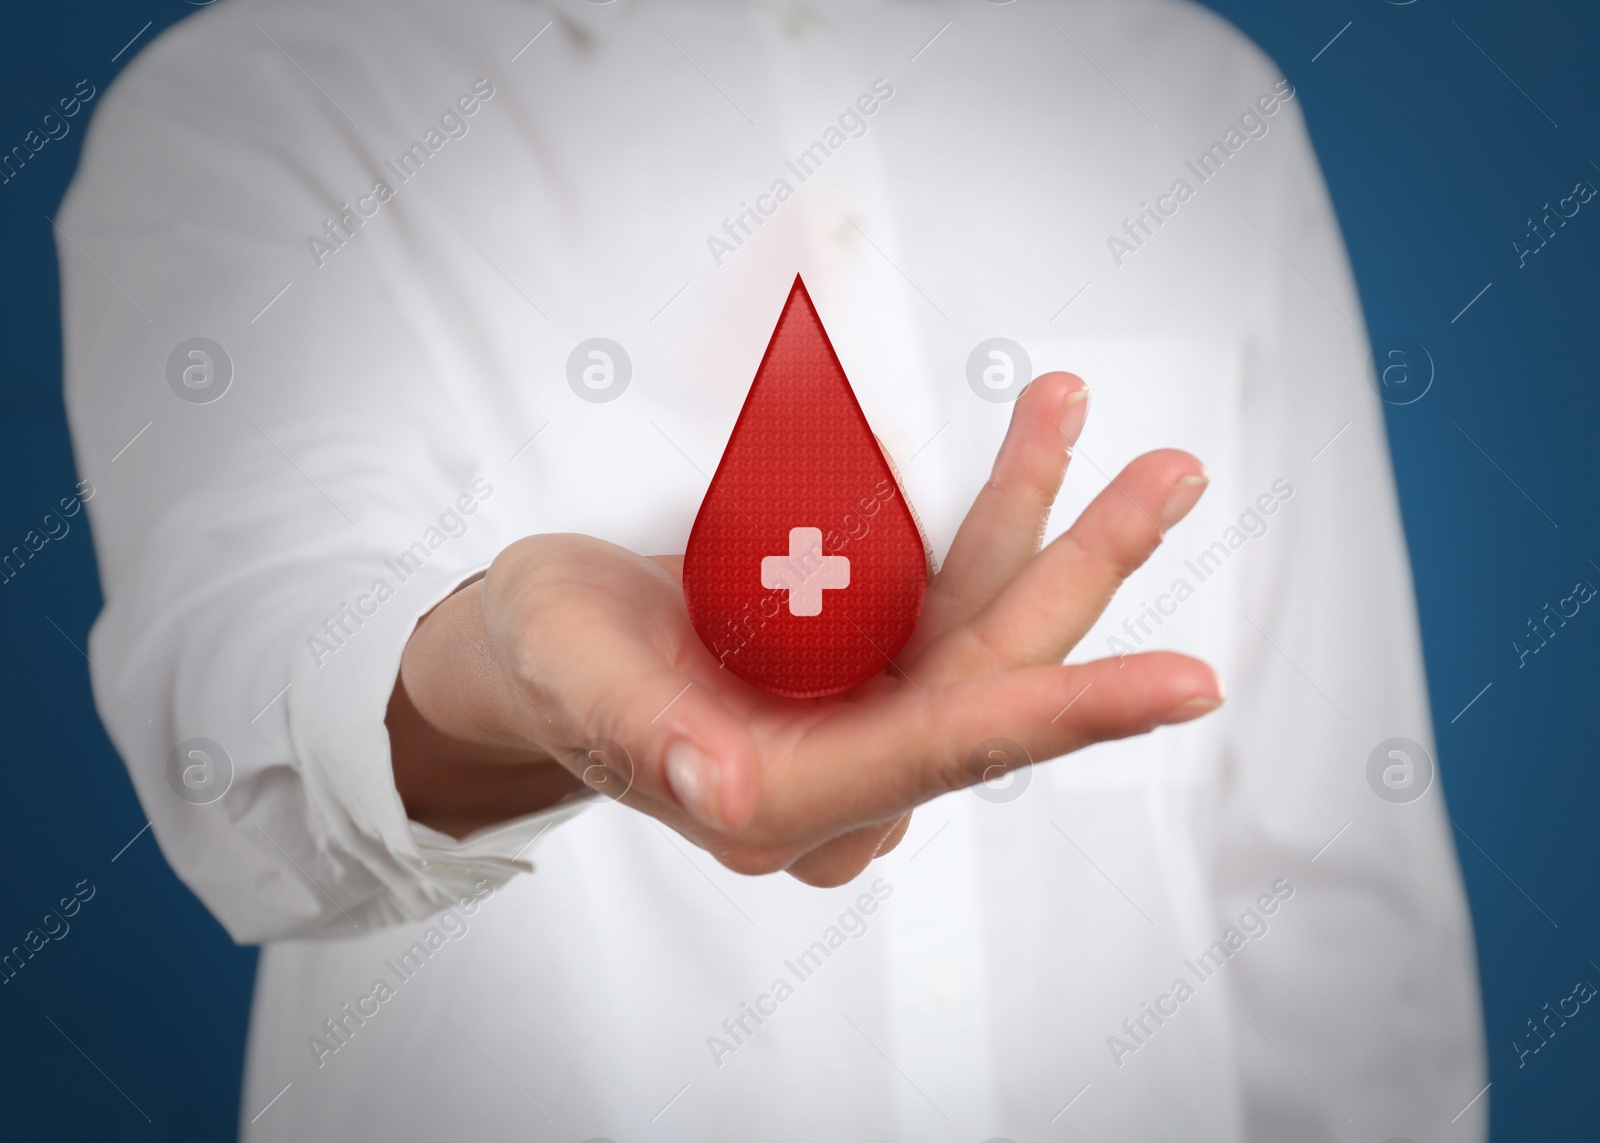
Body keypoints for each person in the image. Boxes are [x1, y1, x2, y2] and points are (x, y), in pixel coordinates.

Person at [58, 0, 1485, 1138]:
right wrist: (521, 683)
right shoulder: (268, 93)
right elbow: (251, 706)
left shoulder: (1195, 107)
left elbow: (1325, 874)